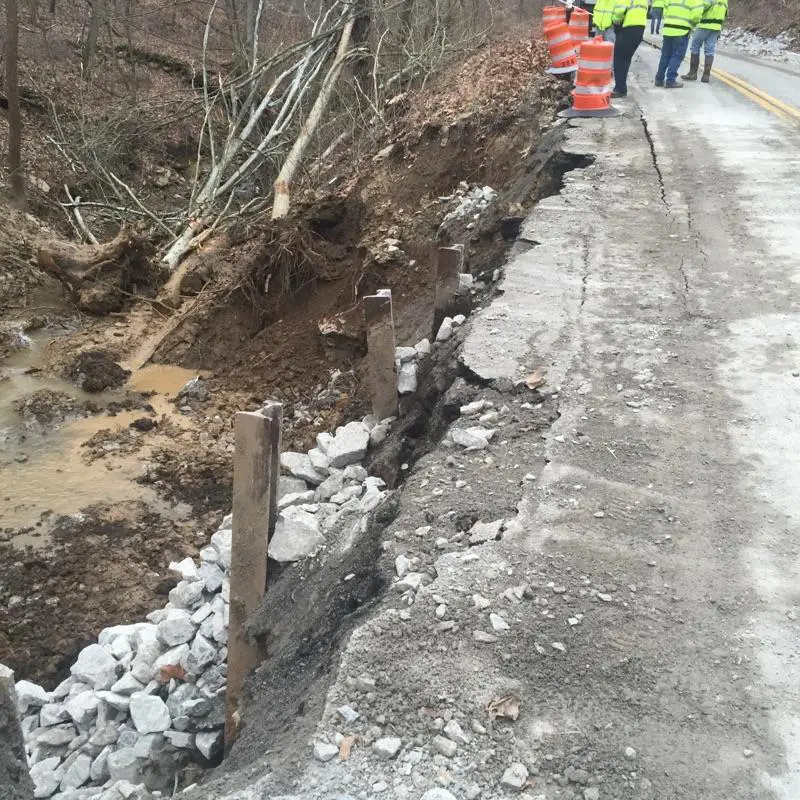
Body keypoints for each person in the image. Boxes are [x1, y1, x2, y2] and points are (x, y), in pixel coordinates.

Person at [654, 0, 704, 88]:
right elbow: (696, 15)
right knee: (677, 56)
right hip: (682, 30)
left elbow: (665, 10)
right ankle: (670, 80)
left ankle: (659, 79)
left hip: (668, 29)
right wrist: (691, 25)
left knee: (665, 55)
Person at [682, 0, 729, 82]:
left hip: (704, 25)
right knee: (710, 50)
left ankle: (692, 73)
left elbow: (700, 8)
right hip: (716, 27)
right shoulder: (725, 1)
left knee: (695, 47)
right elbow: (725, 14)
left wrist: (693, 21)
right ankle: (706, 76)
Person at [610, 0, 649, 97]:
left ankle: (620, 89)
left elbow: (619, 12)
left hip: (628, 29)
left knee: (619, 60)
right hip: (639, 29)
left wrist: (616, 24)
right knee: (625, 59)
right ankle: (621, 87)